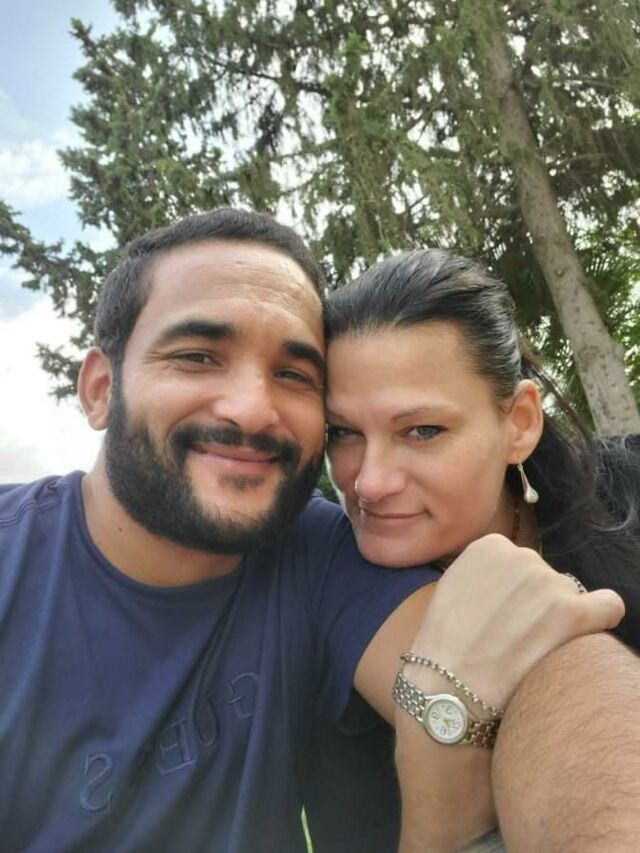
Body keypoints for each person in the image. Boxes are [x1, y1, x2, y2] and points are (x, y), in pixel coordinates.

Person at [0, 210, 622, 853]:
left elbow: (551, 683)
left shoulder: (316, 552)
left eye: (293, 374)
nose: (252, 409)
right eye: (197, 357)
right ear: (101, 389)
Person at [323, 247, 640, 850]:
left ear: (519, 422)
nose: (369, 483)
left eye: (422, 431)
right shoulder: (327, 589)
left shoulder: (628, 490)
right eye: (343, 433)